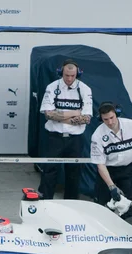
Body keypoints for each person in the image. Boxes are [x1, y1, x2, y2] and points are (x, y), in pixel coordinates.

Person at [38, 59, 93, 199]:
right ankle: (46, 202)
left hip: (75, 139)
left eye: (72, 76)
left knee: (74, 172)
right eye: (66, 75)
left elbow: (87, 118)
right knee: (49, 171)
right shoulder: (52, 87)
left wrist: (60, 115)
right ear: (61, 72)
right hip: (54, 137)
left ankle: (71, 203)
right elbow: (48, 114)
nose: (69, 79)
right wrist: (75, 113)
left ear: (77, 74)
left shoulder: (85, 89)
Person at [90, 102, 132, 218]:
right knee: (104, 206)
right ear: (101, 119)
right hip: (107, 171)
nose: (110, 122)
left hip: (127, 169)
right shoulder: (97, 135)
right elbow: (100, 165)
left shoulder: (131, 125)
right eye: (105, 119)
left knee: (128, 206)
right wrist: (111, 186)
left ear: (117, 114)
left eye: (112, 118)